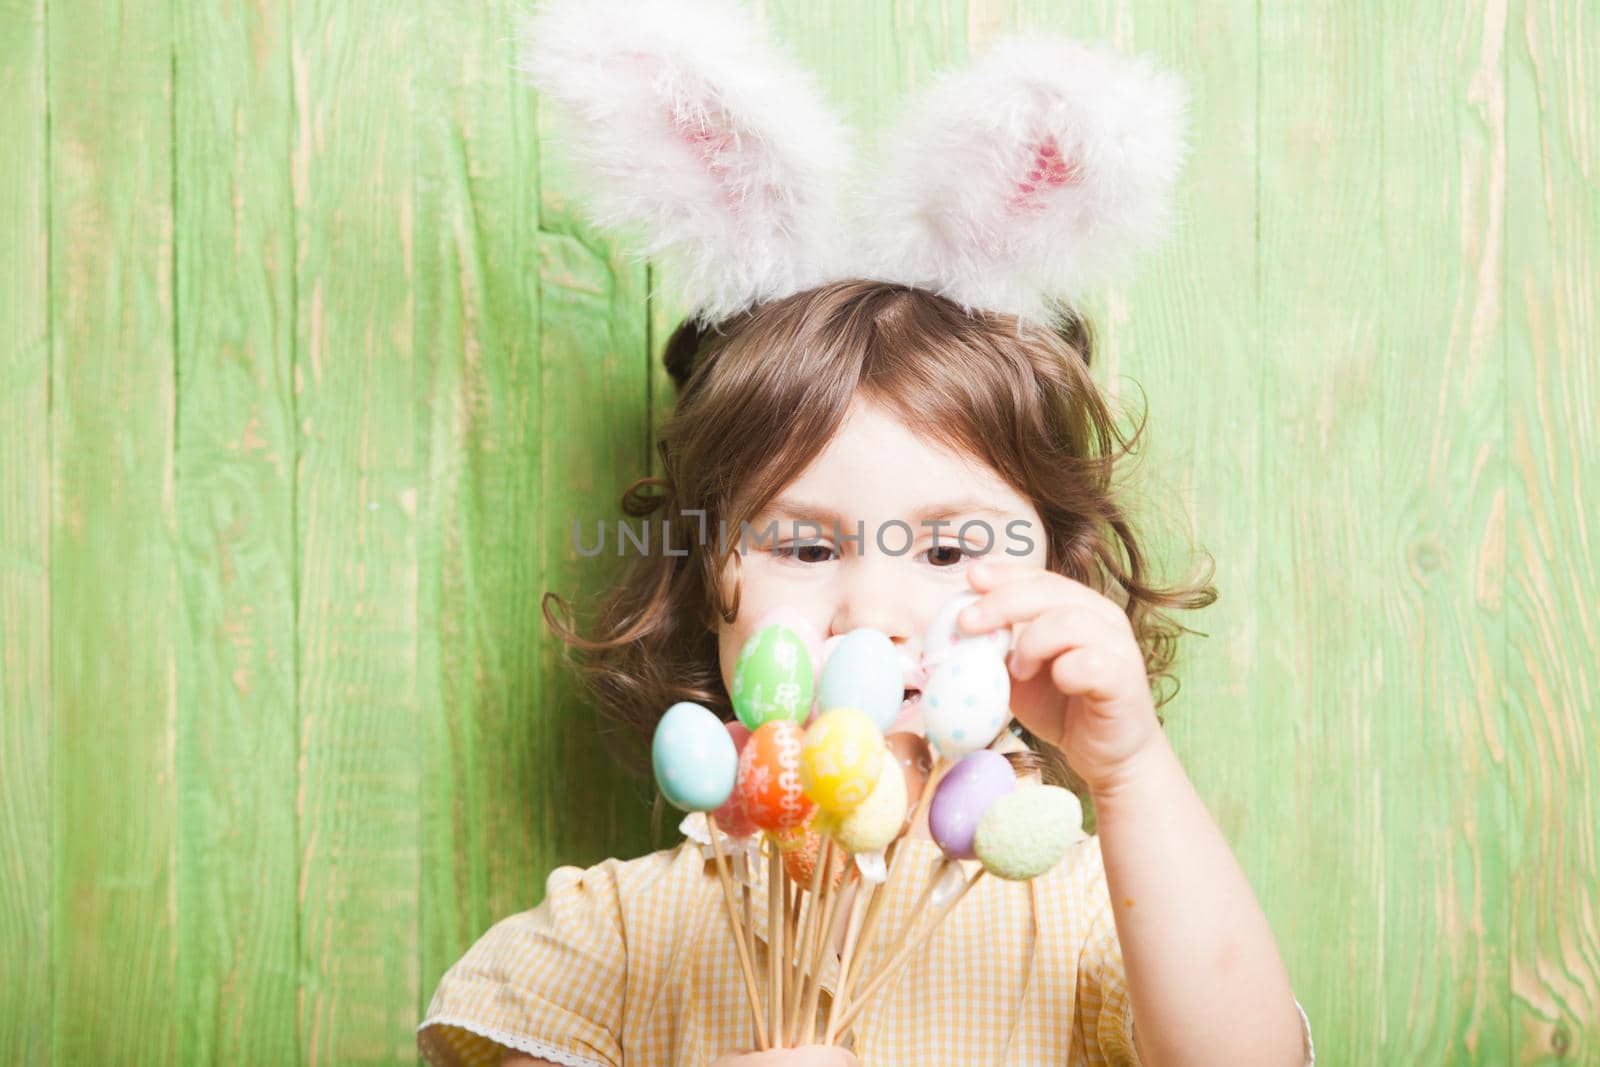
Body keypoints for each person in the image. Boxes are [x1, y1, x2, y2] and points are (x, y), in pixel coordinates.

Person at [420, 3, 1315, 1063]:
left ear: (1059, 583)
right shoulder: (615, 932)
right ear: (707, 580)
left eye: (945, 552)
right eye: (803, 547)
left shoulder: (1092, 907)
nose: (872, 610)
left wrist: (1128, 771)